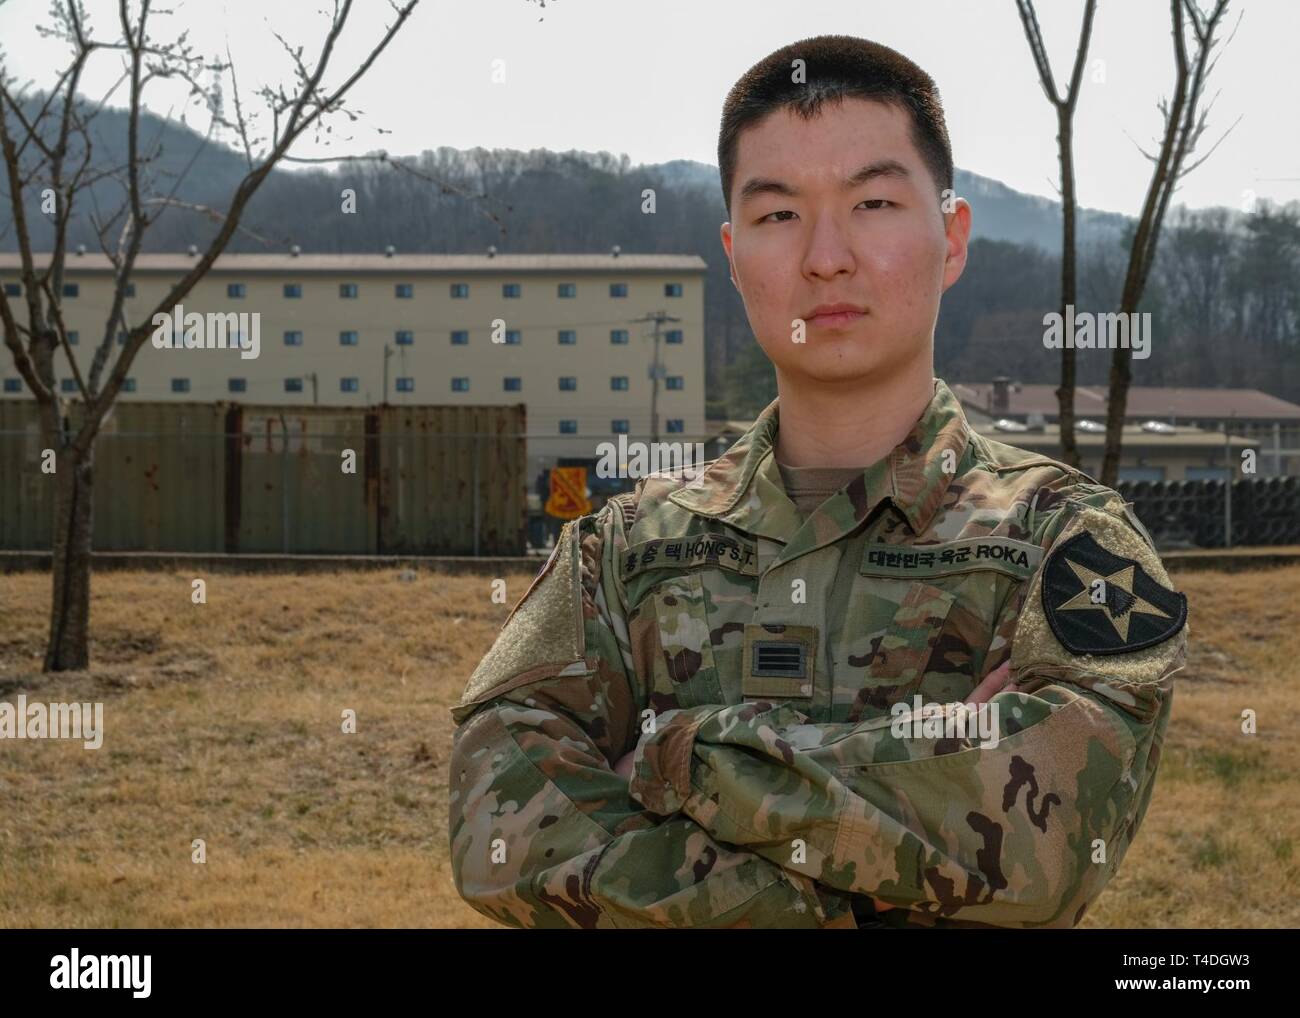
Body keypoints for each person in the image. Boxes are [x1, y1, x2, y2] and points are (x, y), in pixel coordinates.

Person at [446, 34, 1187, 929]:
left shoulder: (1066, 544)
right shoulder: (621, 549)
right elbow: (500, 828)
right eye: (778, 215)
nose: (826, 257)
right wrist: (908, 808)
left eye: (873, 202)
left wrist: (676, 759)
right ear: (733, 253)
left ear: (950, 237)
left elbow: (1047, 841)